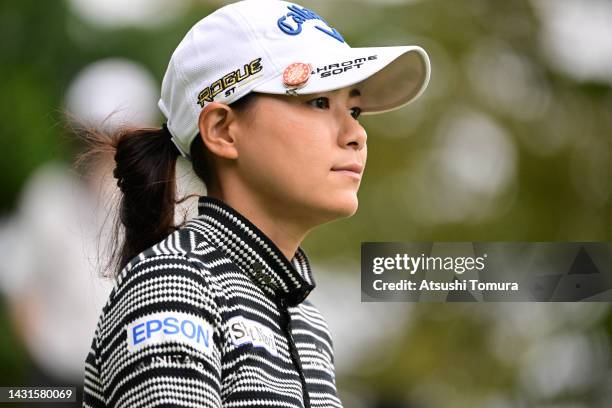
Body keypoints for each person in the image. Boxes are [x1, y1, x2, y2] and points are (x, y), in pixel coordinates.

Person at [81, 0, 430, 407]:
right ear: (223, 130)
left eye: (354, 110)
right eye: (319, 102)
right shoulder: (175, 283)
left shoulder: (308, 323)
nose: (356, 134)